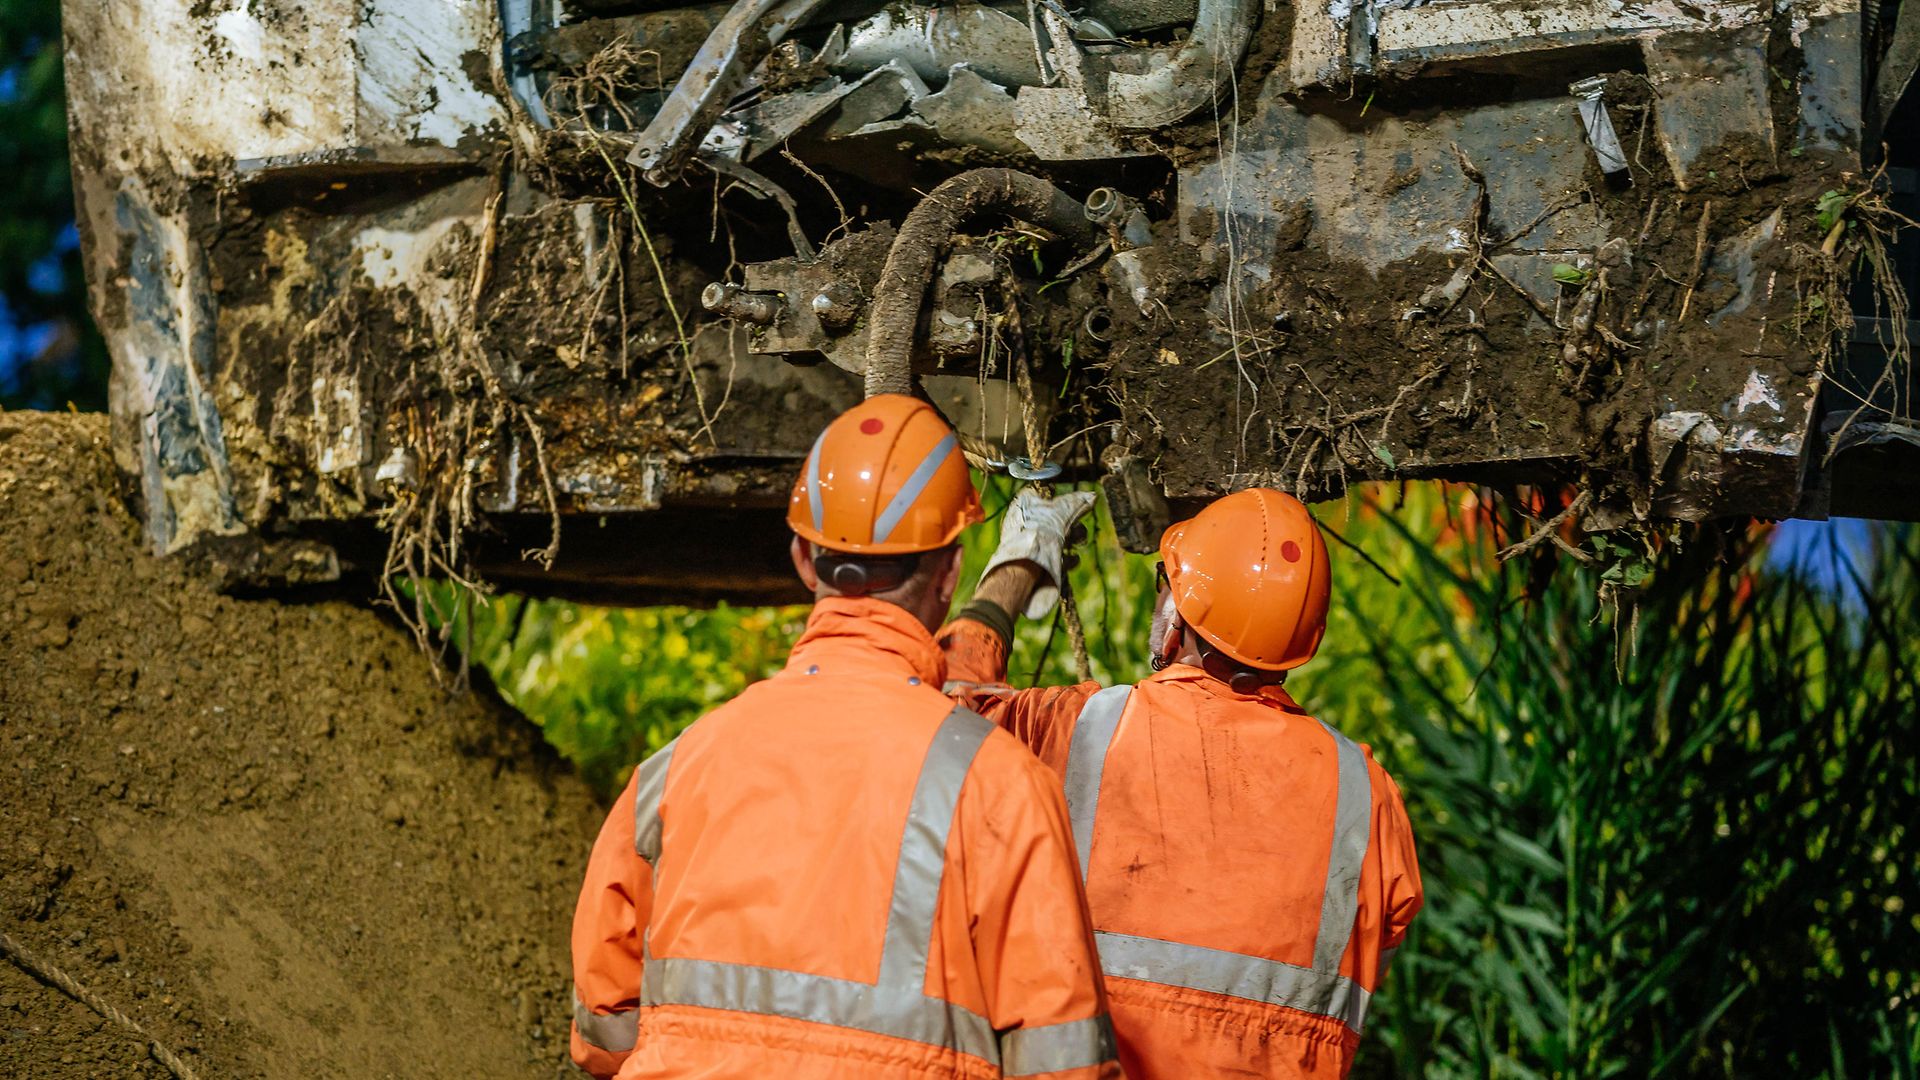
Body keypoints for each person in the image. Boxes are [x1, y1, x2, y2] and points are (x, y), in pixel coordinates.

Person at [569, 395, 1123, 1080]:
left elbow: (604, 1031)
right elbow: (1061, 1064)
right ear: (949, 576)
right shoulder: (1001, 787)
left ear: (803, 559)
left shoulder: (675, 769)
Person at [938, 487, 1423, 1079]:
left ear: (1175, 618)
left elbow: (940, 713)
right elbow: (1372, 956)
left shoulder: (1086, 730)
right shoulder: (1366, 797)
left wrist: (1018, 563)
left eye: (1162, 583)